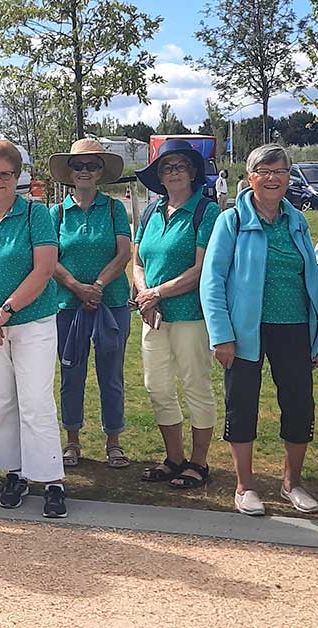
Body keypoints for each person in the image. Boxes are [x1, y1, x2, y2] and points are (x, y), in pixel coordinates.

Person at [200, 143, 318, 517]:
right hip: (244, 331)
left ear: (289, 178)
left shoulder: (297, 221)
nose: (273, 178)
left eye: (280, 172)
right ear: (250, 178)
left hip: (294, 326)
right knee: (241, 405)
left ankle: (293, 483)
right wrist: (221, 334)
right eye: (265, 171)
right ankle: (245, 486)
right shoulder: (232, 221)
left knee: (299, 404)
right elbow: (212, 280)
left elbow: (310, 276)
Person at [0, 140, 67, 518]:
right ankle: (15, 473)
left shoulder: (36, 216)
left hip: (30, 322)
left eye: (6, 174)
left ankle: (51, 479)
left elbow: (45, 269)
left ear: (17, 177)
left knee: (35, 403)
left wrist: (3, 312)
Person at [132, 140, 221, 489]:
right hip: (153, 315)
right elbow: (138, 261)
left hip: (190, 313)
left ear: (194, 172)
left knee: (196, 384)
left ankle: (199, 463)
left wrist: (155, 293)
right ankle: (174, 458)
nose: (173, 172)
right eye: (166, 167)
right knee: (157, 386)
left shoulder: (206, 212)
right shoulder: (152, 212)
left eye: (181, 165)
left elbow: (201, 269)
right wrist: (144, 294)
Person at [46, 138, 132, 469]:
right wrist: (76, 287)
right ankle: (72, 441)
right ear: (69, 171)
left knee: (111, 374)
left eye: (92, 166)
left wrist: (96, 286)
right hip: (68, 305)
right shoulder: (56, 214)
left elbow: (123, 252)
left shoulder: (113, 209)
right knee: (71, 374)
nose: (84, 171)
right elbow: (48, 257)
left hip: (111, 303)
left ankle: (114, 441)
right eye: (78, 165)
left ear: (100, 172)